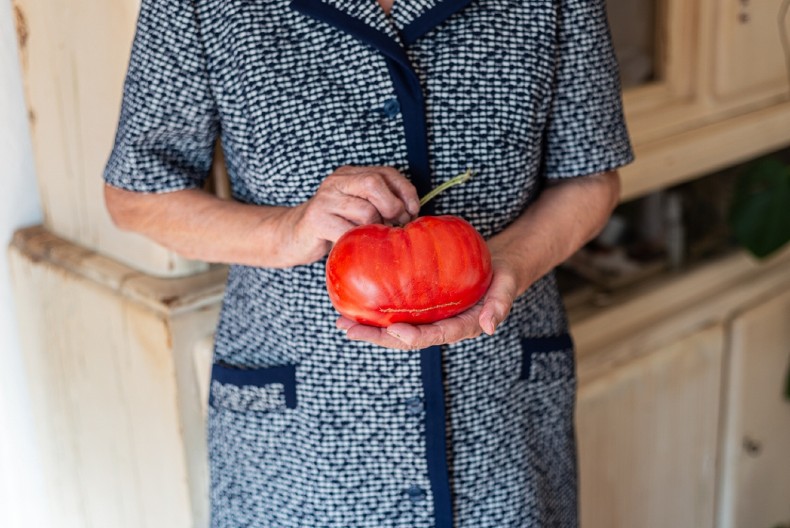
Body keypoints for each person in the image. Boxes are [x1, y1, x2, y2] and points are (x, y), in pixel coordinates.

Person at [103, 0, 633, 526]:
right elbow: (136, 197)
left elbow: (591, 175)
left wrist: (509, 263)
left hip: (498, 408)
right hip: (305, 428)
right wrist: (285, 231)